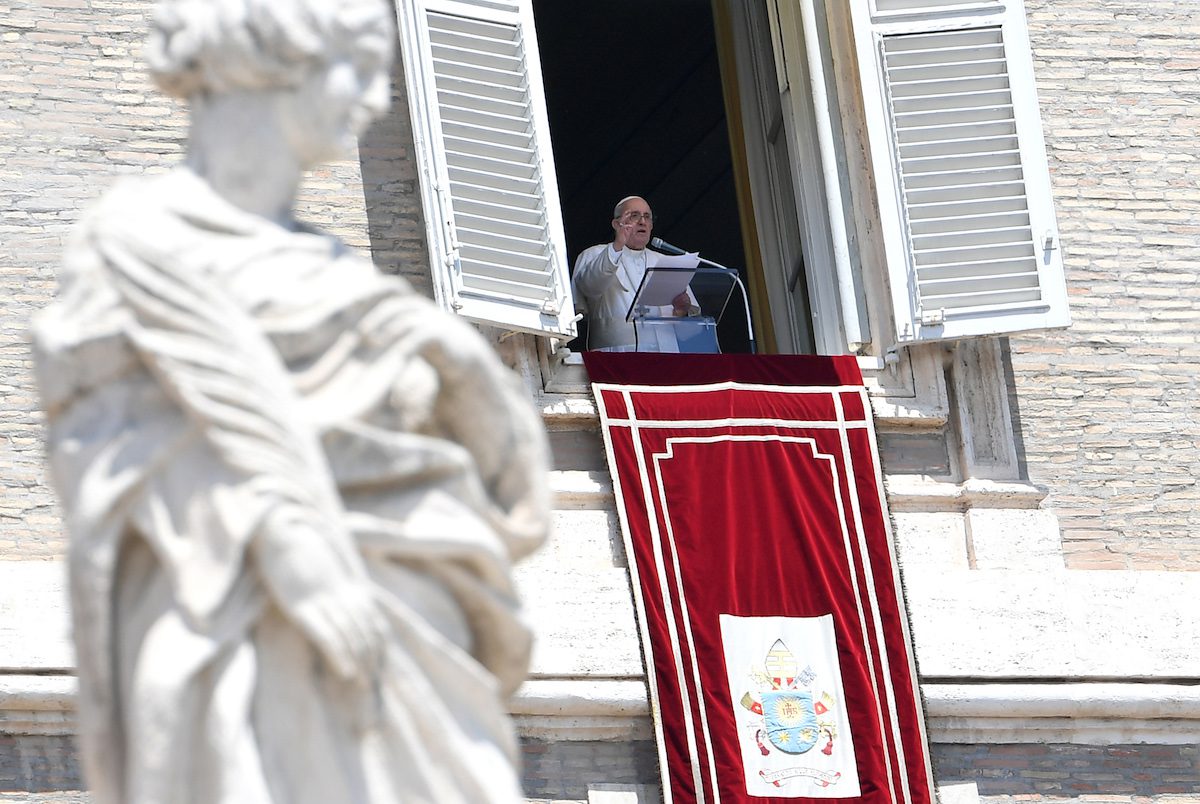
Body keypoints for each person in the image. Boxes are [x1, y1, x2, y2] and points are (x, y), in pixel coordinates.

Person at [31, 0, 549, 802]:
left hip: (412, 654)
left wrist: (449, 368)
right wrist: (274, 533)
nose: (376, 101)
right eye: (360, 65)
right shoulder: (133, 251)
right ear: (272, 58)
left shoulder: (354, 289)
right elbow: (101, 454)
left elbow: (496, 481)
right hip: (236, 637)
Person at [571, 196, 697, 350]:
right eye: (634, 216)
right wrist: (618, 244)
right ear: (617, 224)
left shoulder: (668, 263)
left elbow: (690, 333)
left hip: (666, 356)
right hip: (615, 357)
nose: (642, 222)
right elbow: (590, 288)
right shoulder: (594, 254)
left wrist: (680, 312)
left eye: (647, 217)